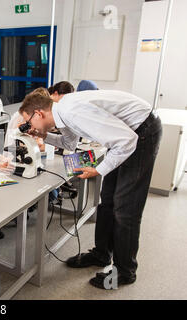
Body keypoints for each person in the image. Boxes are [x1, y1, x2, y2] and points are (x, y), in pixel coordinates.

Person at [19, 90, 162, 290]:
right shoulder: (63, 113)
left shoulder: (72, 112)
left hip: (142, 132)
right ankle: (101, 253)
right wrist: (43, 135)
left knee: (125, 208)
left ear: (39, 113)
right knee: (108, 200)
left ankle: (125, 271)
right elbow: (69, 143)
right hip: (127, 135)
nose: (29, 126)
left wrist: (98, 170)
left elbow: (127, 141)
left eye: (29, 121)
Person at [4, 87, 49, 152]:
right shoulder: (21, 116)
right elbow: (17, 144)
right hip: (14, 154)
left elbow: (40, 141)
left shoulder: (36, 114)